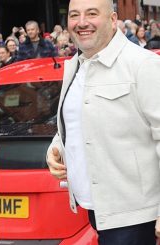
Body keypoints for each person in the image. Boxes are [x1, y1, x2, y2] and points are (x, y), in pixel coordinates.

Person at [46, 0, 160, 244]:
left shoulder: (143, 65)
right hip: (95, 208)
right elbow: (77, 119)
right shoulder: (76, 64)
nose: (82, 22)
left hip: (134, 214)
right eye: (74, 15)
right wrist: (57, 146)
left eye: (92, 14)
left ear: (112, 20)